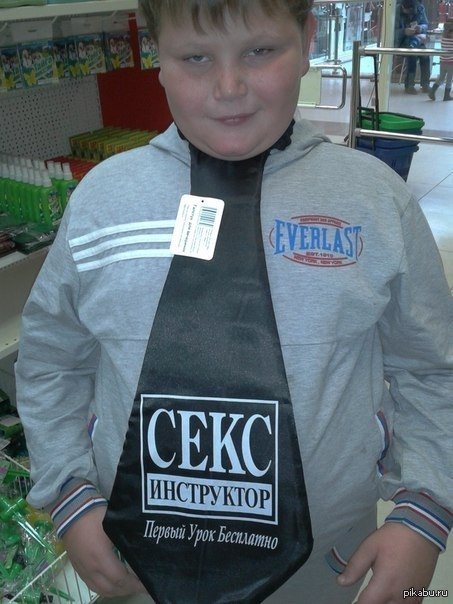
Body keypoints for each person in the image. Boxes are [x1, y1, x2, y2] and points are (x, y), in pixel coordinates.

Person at [15, 1, 453, 603]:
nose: (228, 87)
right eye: (196, 57)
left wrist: (422, 505)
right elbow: (50, 360)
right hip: (136, 557)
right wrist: (68, 490)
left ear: (307, 39)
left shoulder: (376, 204)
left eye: (259, 51)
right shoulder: (101, 203)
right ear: (157, 55)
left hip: (326, 563)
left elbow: (430, 369)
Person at [395, 0, 431, 94]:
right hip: (402, 42)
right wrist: (404, 31)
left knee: (425, 55)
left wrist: (421, 28)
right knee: (412, 55)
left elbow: (425, 24)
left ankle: (425, 84)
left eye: (411, 11)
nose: (409, 13)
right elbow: (391, 32)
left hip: (417, 39)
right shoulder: (395, 11)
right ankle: (409, 85)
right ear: (402, 7)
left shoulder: (419, 8)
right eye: (407, 11)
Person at [429, 19, 453, 101]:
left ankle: (432, 91)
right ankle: (446, 95)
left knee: (441, 78)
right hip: (451, 62)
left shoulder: (443, 39)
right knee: (449, 79)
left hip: (442, 61)